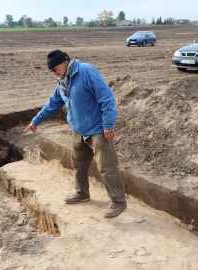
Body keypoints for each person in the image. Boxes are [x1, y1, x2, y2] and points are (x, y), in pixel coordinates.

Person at [24, 49, 127, 218]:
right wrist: (35, 121)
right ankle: (82, 193)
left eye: (54, 69)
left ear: (64, 62)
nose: (53, 73)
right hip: (79, 131)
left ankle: (118, 201)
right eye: (50, 71)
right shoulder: (62, 82)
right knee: (79, 165)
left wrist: (108, 125)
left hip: (98, 130)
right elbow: (53, 104)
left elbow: (107, 98)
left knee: (107, 168)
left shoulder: (86, 71)